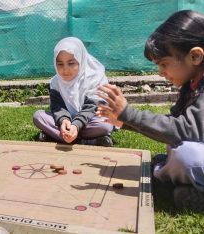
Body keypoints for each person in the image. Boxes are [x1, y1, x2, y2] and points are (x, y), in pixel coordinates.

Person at [96, 10, 204, 211]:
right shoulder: (192, 87)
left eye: (164, 64)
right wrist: (124, 122)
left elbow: (185, 131)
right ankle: (187, 186)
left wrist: (129, 114)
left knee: (187, 156)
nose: (160, 72)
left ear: (195, 56)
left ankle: (165, 172)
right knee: (180, 151)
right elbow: (171, 125)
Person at [33, 37, 114, 146]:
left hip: (90, 120)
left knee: (106, 124)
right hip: (68, 122)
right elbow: (58, 107)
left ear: (81, 59)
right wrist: (64, 121)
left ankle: (56, 136)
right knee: (38, 116)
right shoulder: (56, 82)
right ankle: (89, 141)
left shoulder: (96, 78)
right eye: (60, 64)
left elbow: (92, 107)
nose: (65, 69)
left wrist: (76, 125)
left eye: (71, 63)